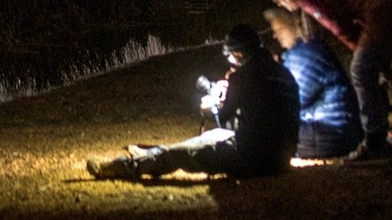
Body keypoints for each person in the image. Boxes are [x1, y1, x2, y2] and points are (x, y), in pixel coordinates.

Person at [87, 25, 299, 180]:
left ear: (239, 54)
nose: (231, 63)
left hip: (253, 160)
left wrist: (209, 106)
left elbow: (221, 120)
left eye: (231, 58)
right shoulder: (284, 73)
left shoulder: (242, 77)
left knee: (187, 153)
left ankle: (122, 167)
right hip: (281, 159)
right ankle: (151, 154)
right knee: (210, 137)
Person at [266, 0, 392, 161]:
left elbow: (338, 26)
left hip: (383, 6)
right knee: (372, 68)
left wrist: (357, 48)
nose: (281, 5)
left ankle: (375, 141)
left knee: (361, 69)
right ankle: (378, 129)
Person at [264, 6, 363, 158]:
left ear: (295, 24)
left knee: (267, 134)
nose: (275, 36)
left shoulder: (305, 55)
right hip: (339, 129)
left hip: (330, 132)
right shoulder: (305, 50)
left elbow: (293, 102)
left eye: (279, 28)